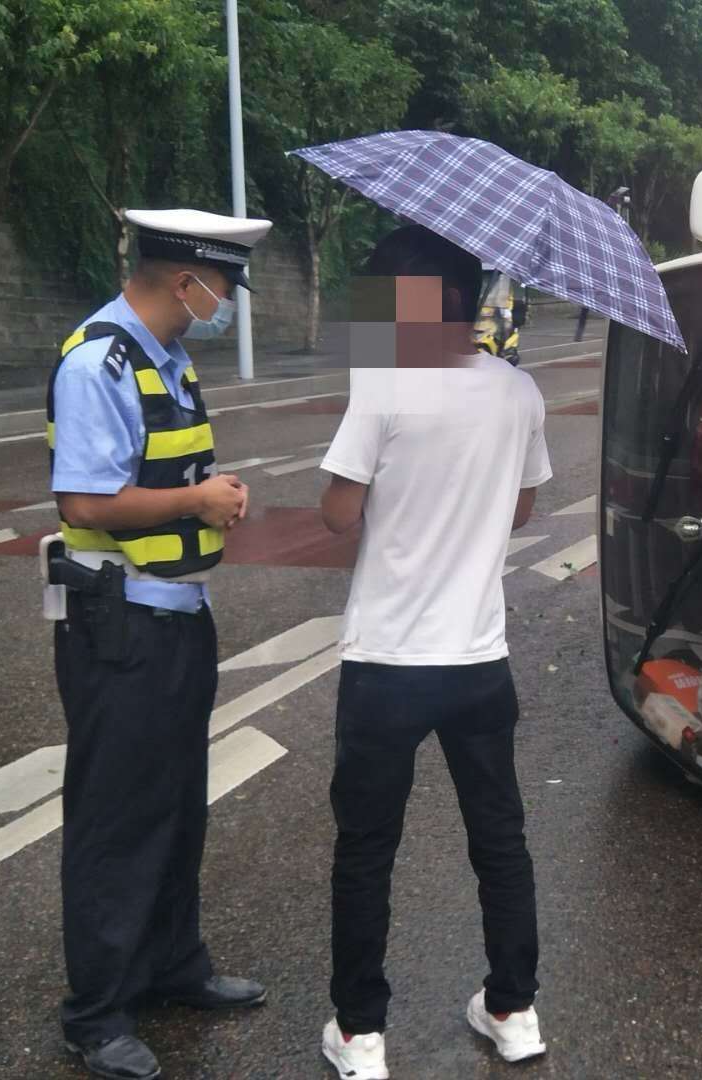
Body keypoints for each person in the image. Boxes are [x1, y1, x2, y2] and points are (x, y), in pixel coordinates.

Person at [315, 224, 552, 1079]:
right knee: (500, 839)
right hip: (479, 666)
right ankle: (514, 1009)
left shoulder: (383, 387)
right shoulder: (519, 392)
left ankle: (362, 1034)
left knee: (367, 849)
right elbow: (523, 512)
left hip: (386, 666)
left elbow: (338, 514)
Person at [44, 207, 273, 1080]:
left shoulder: (166, 356)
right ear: (187, 281)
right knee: (115, 817)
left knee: (176, 804)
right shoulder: (97, 359)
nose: (226, 303)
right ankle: (96, 1013)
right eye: (221, 287)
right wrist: (198, 502)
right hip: (118, 623)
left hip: (175, 614)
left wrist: (206, 497)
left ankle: (174, 965)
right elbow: (86, 503)